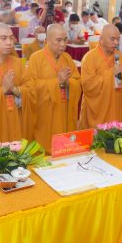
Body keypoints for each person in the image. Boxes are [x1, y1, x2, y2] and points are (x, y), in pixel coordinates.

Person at [27, 24, 82, 153]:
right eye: (58, 40)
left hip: (64, 109)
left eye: (65, 40)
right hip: (46, 113)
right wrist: (56, 81)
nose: (63, 44)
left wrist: (68, 82)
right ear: (47, 40)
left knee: (64, 146)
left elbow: (78, 82)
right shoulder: (36, 58)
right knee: (46, 148)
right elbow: (31, 88)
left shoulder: (67, 58)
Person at [80, 25, 122, 130]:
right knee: (99, 139)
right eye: (112, 39)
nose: (116, 43)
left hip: (117, 106)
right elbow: (88, 86)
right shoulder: (90, 58)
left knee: (116, 136)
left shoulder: (119, 56)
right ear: (101, 39)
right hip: (99, 110)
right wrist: (110, 73)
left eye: (118, 39)